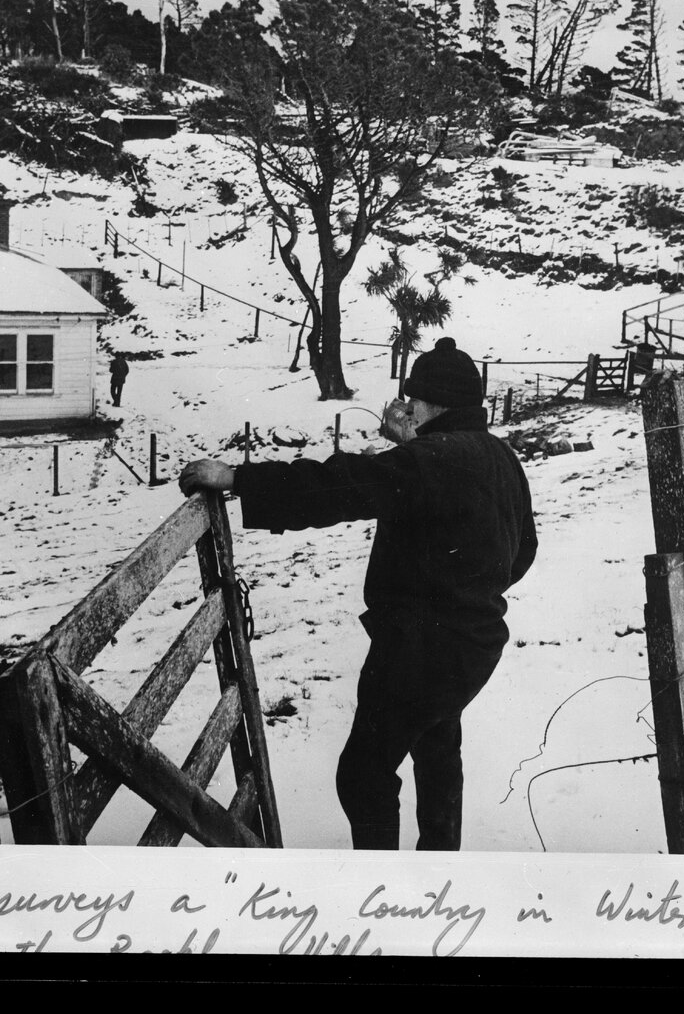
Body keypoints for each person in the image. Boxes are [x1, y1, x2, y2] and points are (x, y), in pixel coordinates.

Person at [179, 337, 536, 850]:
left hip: (418, 649)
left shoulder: (430, 460)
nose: (407, 405)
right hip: (473, 644)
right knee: (437, 748)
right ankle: (439, 865)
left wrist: (239, 478)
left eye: (414, 397)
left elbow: (336, 487)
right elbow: (523, 550)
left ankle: (381, 886)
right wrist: (468, 591)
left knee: (364, 774)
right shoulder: (499, 455)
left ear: (434, 402)